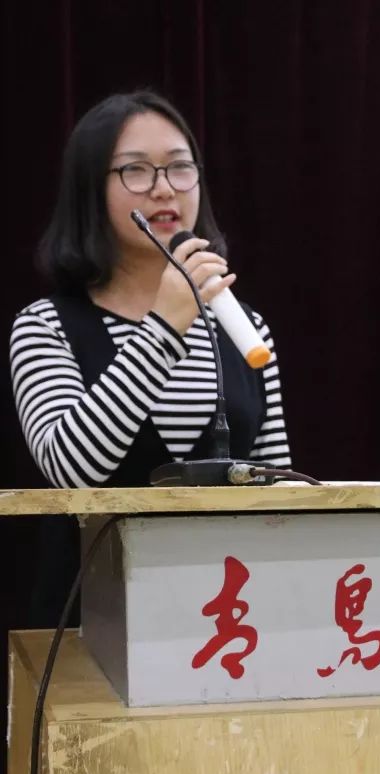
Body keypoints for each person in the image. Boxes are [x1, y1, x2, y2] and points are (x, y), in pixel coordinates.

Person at [9, 90, 291, 625]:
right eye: (135, 170)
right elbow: (72, 473)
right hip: (90, 622)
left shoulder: (246, 327)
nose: (164, 188)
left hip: (226, 623)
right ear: (90, 189)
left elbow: (279, 490)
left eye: (180, 168)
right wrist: (164, 325)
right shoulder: (46, 325)